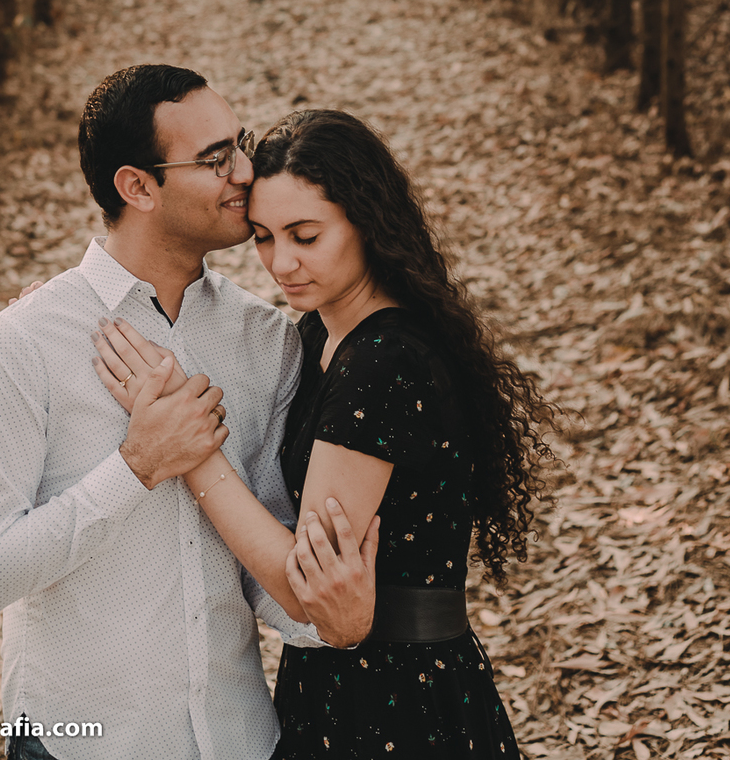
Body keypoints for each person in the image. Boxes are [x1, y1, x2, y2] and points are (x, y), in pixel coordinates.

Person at [94, 107, 552, 760]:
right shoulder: (318, 333)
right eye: (262, 237)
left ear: (368, 222)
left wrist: (192, 454)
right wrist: (70, 310)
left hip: (397, 698)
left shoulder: (383, 362)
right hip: (341, 680)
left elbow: (300, 585)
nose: (281, 263)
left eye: (305, 236)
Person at [0, 66, 378, 760]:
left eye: (240, 144)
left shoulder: (266, 340)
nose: (246, 171)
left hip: (239, 737)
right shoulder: (29, 340)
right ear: (138, 187)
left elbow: (263, 548)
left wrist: (326, 617)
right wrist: (137, 466)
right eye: (216, 159)